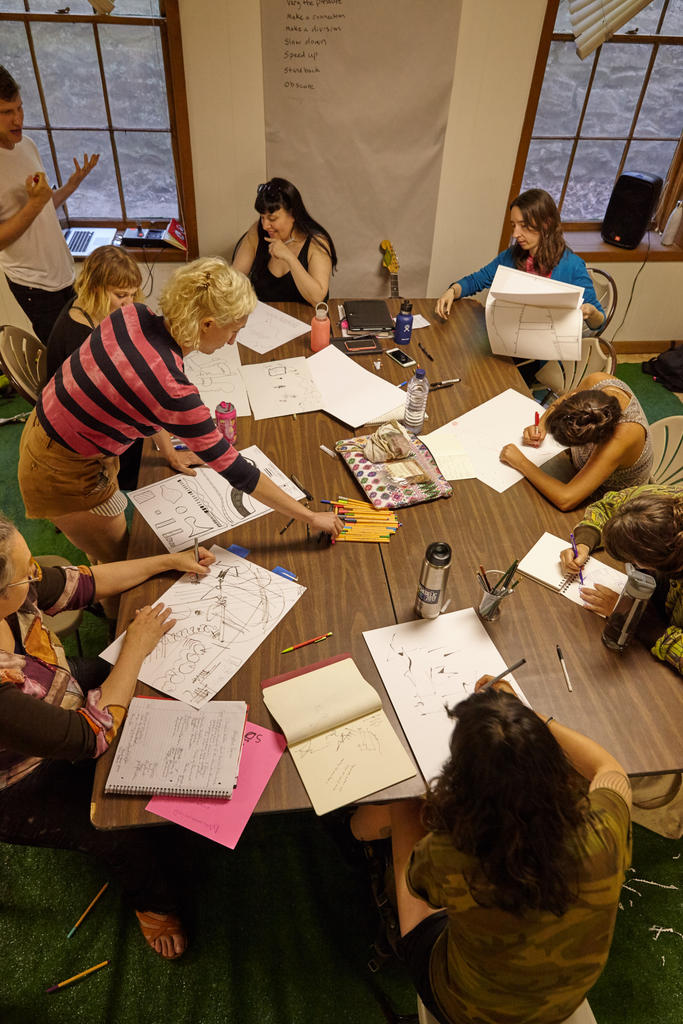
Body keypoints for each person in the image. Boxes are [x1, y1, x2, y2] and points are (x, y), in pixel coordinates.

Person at [18, 257, 342, 565]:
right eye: (233, 330)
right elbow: (237, 470)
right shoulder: (171, 387)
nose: (232, 342)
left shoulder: (132, 315)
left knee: (108, 546)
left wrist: (168, 449)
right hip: (61, 469)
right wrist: (310, 516)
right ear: (207, 324)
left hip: (46, 428)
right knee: (122, 562)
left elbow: (136, 393)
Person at [351, 677, 631, 1024]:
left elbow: (418, 886)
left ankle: (359, 832)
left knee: (402, 804)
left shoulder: (448, 854)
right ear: (553, 766)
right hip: (562, 1003)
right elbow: (610, 768)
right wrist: (530, 719)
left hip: (465, 1009)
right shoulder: (606, 829)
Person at [0, 513, 217, 958]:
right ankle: (154, 905)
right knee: (114, 828)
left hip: (63, 693)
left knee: (155, 684)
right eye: (26, 573)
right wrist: (133, 647)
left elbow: (83, 583)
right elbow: (88, 736)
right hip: (22, 778)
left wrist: (165, 561)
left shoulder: (15, 594)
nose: (37, 573)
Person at [0, 65, 99, 343]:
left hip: (64, 272)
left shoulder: (26, 145)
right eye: (6, 112)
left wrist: (70, 186)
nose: (18, 119)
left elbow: (42, 206)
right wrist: (36, 204)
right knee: (67, 360)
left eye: (19, 108)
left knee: (89, 347)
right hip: (34, 285)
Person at [434, 188, 604, 331]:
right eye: (513, 225)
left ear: (546, 223)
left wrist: (591, 312)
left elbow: (599, 323)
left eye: (523, 226)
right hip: (508, 340)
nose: (515, 234)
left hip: (544, 357)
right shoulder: (511, 256)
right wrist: (452, 291)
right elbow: (476, 281)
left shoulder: (572, 266)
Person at [560, 484, 683, 675]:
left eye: (634, 562)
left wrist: (633, 616)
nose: (632, 565)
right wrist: (584, 542)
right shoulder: (662, 500)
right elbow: (607, 507)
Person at [499, 371, 653, 511]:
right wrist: (541, 426)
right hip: (575, 469)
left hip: (610, 504)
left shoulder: (620, 438)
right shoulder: (597, 381)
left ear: (590, 443)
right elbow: (561, 402)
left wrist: (521, 462)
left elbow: (566, 499)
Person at [232, 178, 337, 306]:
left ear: (293, 215)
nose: (265, 225)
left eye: (272, 218)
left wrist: (289, 257)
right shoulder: (257, 232)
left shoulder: (316, 242)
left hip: (307, 321)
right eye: (262, 217)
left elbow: (318, 299)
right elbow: (234, 281)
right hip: (265, 319)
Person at [46, 244, 143, 378]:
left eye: (133, 294)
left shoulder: (86, 301)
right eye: (121, 295)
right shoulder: (80, 334)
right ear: (96, 287)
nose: (129, 303)